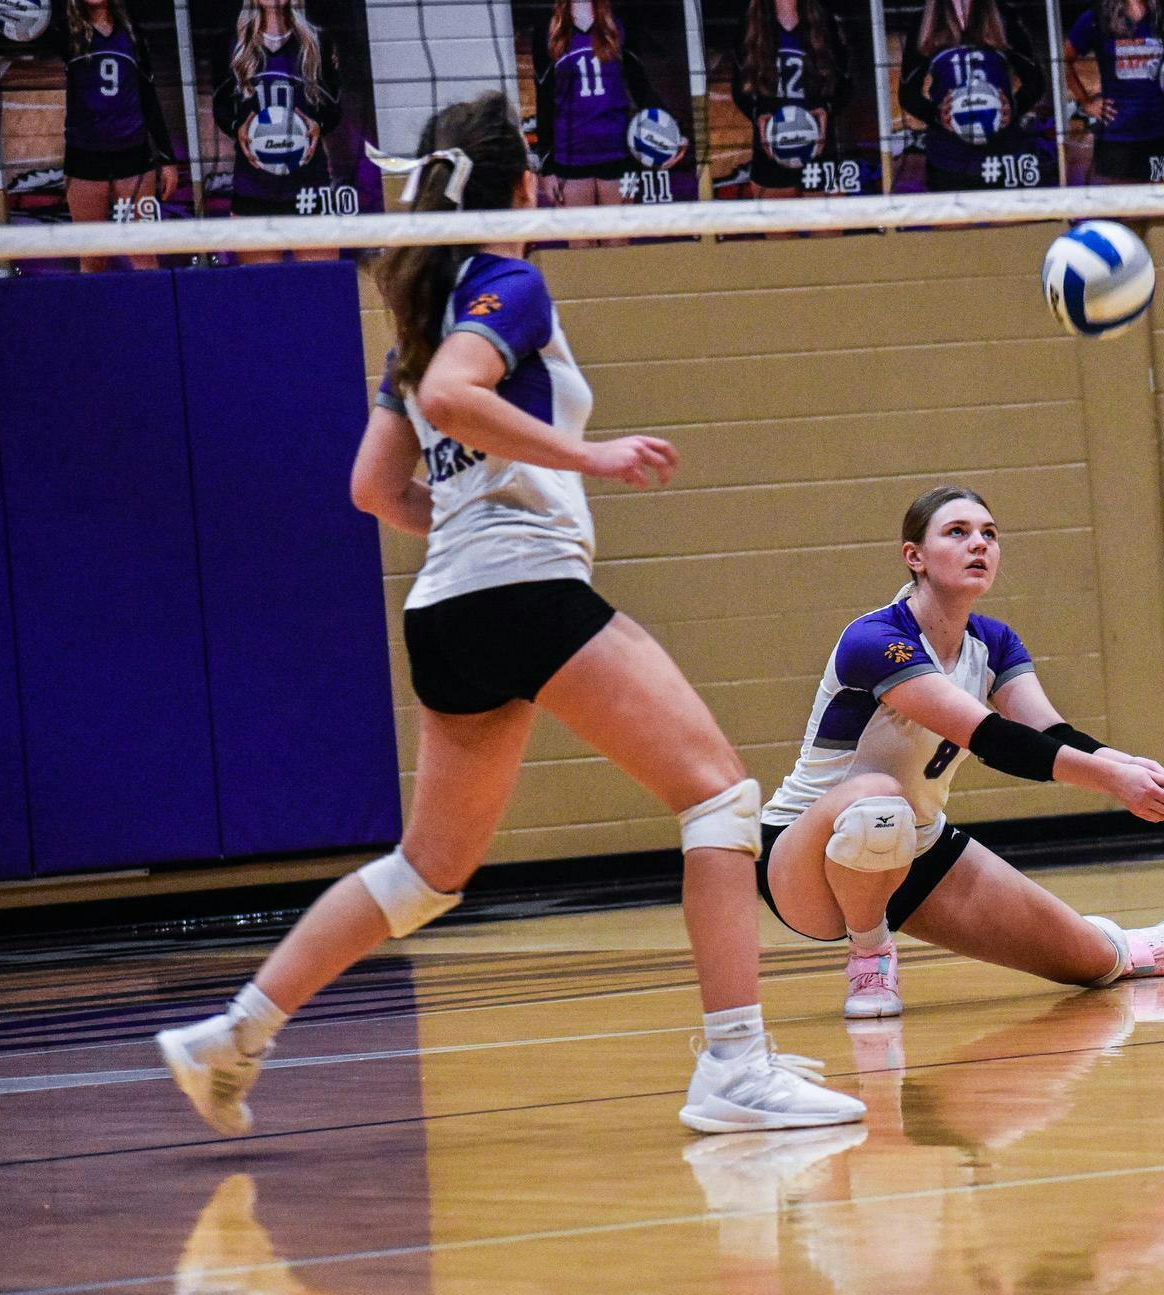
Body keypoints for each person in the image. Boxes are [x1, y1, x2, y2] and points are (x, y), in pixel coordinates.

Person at [155, 91, 865, 1137]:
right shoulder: (506, 284)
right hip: (521, 588)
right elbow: (451, 398)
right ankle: (734, 1067)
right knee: (720, 798)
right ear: (520, 186)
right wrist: (591, 458)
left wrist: (469, 517)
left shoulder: (419, 316)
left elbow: (371, 488)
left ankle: (234, 1035)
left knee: (426, 871)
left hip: (446, 610)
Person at [757, 485, 1164, 1021]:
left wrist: (1124, 763)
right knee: (878, 802)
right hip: (805, 857)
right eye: (958, 532)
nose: (979, 544)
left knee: (1093, 966)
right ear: (916, 557)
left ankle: (1124, 944)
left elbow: (1049, 731)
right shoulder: (877, 640)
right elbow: (993, 738)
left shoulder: (994, 643)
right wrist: (1112, 783)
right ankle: (871, 957)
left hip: (920, 849)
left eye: (989, 534)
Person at [210, 0, 342, 261]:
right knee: (263, 293)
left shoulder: (317, 41)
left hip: (310, 187)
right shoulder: (230, 43)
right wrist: (238, 128)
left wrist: (319, 126)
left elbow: (335, 110)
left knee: (319, 290)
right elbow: (221, 108)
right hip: (254, 190)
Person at [533, 0, 679, 225]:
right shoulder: (548, 29)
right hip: (569, 157)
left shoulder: (619, 23)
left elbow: (641, 86)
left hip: (618, 155)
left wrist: (671, 132)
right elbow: (544, 102)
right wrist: (546, 166)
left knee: (618, 246)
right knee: (580, 247)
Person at [62, 0, 178, 271]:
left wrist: (167, 157)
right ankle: (96, 314)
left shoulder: (132, 33)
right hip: (84, 159)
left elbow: (149, 97)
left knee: (144, 254)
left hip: (133, 156)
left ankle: (152, 312)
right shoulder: (64, 33)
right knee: (92, 257)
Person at [898, 0, 1044, 192]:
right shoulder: (924, 21)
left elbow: (1035, 83)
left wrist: (1013, 108)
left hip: (1003, 156)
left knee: (1009, 220)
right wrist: (937, 115)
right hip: (947, 159)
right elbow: (908, 94)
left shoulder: (1003, 15)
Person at [1063, 0, 1164, 184]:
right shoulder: (1098, 17)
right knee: (1129, 210)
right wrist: (1086, 103)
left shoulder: (1162, 17)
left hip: (1160, 132)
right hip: (1118, 136)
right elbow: (1064, 59)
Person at [730, 0, 849, 197]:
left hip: (817, 145)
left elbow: (845, 84)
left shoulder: (823, 17)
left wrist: (826, 109)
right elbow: (740, 90)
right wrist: (759, 115)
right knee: (781, 224)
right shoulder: (751, 20)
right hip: (772, 146)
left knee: (828, 225)